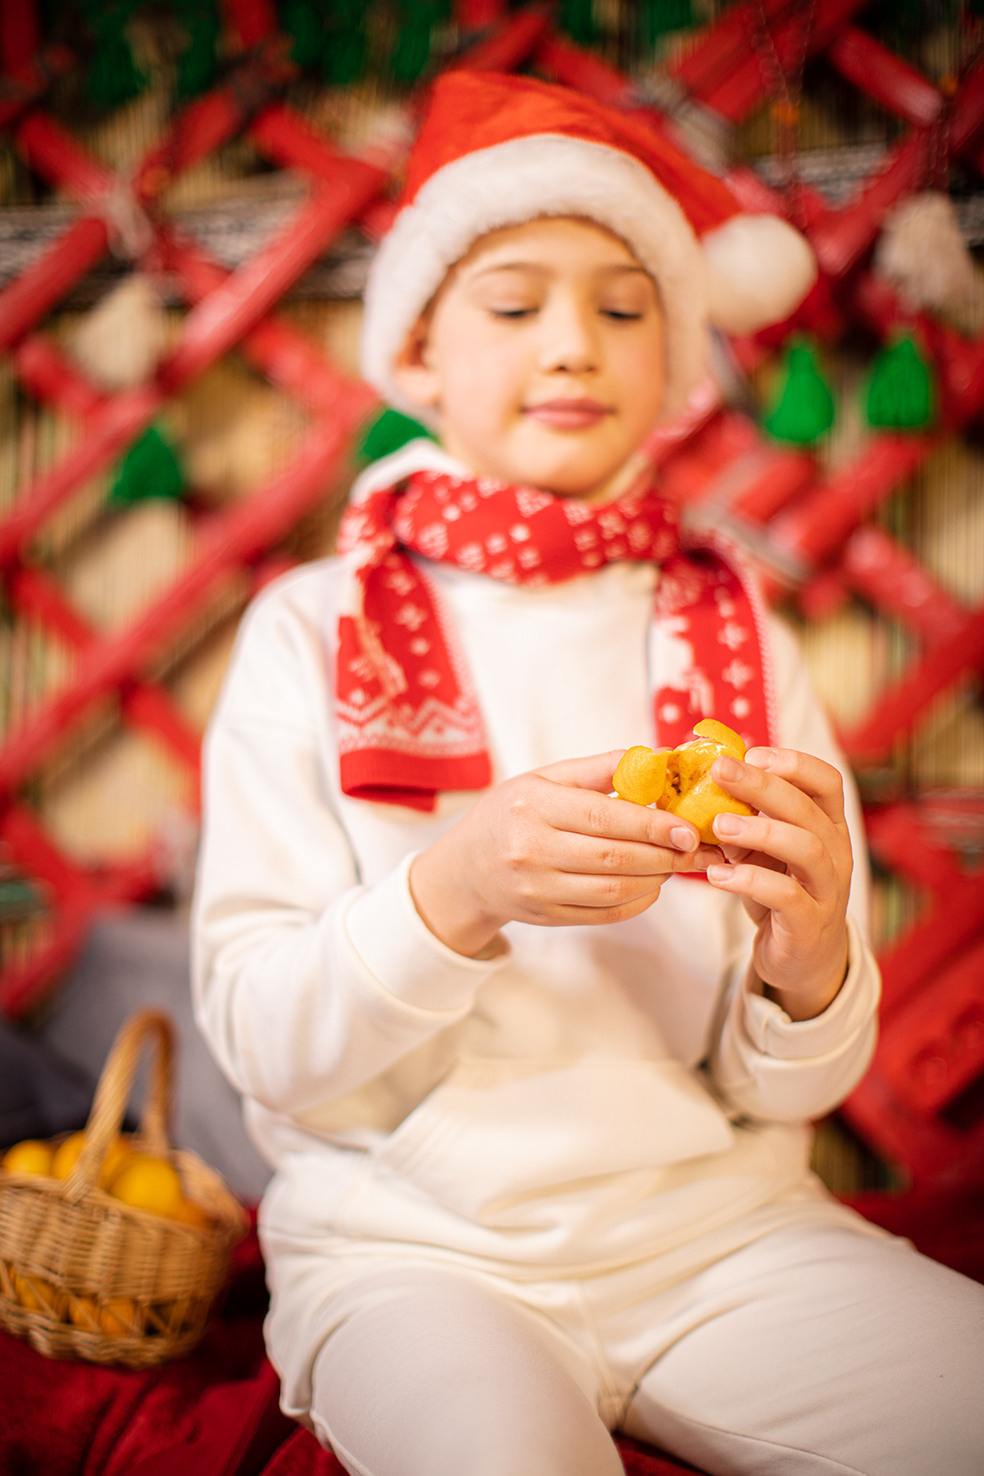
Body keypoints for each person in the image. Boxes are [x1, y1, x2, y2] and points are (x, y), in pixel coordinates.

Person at [192, 70, 984, 1476]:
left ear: (677, 360)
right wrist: (459, 887)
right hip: (411, 1254)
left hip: (722, 1234)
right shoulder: (311, 629)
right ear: (419, 354)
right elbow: (263, 1039)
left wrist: (810, 955)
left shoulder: (734, 628)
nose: (573, 346)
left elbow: (793, 1089)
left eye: (624, 308)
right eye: (513, 303)